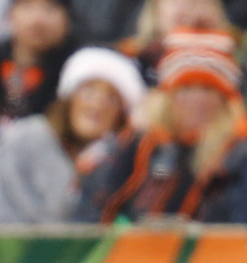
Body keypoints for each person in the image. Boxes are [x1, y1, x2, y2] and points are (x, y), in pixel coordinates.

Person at [76, 30, 247, 223]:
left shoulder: (237, 153)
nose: (197, 100)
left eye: (208, 90)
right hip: (135, 249)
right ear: (167, 98)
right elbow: (97, 205)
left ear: (225, 101)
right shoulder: (141, 144)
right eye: (186, 88)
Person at [0, 45, 145, 224]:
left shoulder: (109, 161)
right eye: (89, 90)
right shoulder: (32, 137)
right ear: (69, 98)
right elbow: (50, 218)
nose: (98, 103)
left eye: (111, 97)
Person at [0, 0, 75, 134]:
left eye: (51, 8)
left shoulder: (75, 71)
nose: (38, 19)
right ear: (10, 13)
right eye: (27, 6)